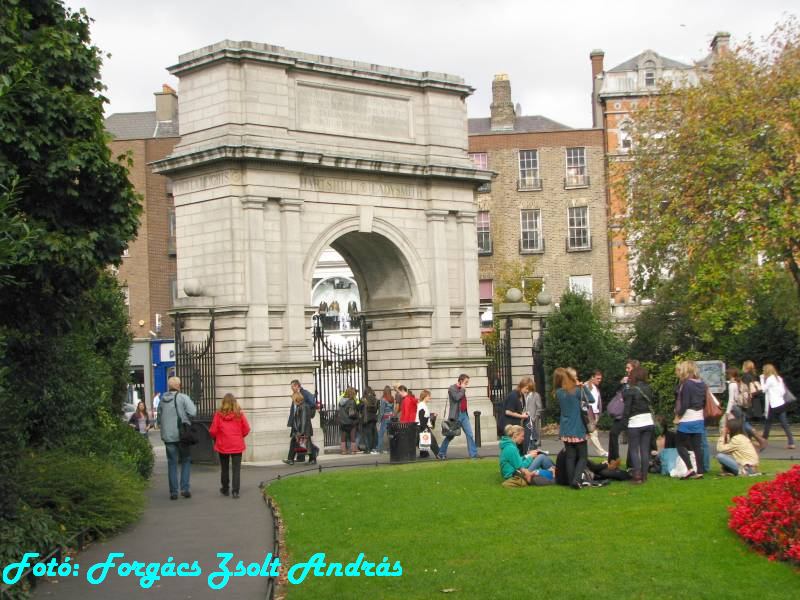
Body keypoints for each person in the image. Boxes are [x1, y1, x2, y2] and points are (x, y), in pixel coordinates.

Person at [157, 376, 197, 500]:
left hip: (168, 436)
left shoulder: (162, 399)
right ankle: (184, 489)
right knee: (185, 460)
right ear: (179, 385)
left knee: (172, 463)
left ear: (169, 386)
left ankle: (173, 492)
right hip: (181, 435)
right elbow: (193, 412)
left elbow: (159, 418)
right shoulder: (182, 397)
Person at [209, 393, 251, 498]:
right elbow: (246, 429)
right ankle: (235, 491)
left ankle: (225, 488)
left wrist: (216, 437)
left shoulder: (218, 415)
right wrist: (239, 436)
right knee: (236, 469)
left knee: (224, 468)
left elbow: (213, 430)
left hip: (223, 444)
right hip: (236, 444)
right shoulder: (239, 414)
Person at [555, 367, 589, 489]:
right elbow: (590, 399)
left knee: (570, 457)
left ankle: (571, 481)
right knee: (583, 456)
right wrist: (582, 387)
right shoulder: (576, 391)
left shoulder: (559, 392)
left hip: (565, 429)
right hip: (578, 428)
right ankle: (576, 479)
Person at [623, 366, 655, 484]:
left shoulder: (631, 390)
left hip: (635, 421)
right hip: (648, 420)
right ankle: (645, 475)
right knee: (645, 449)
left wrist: (624, 422)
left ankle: (637, 475)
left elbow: (627, 409)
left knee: (634, 449)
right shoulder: (648, 388)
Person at [674, 360, 706, 479]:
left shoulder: (687, 384)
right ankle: (700, 470)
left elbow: (686, 402)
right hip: (699, 416)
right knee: (697, 445)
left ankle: (690, 468)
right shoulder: (701, 383)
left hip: (688, 417)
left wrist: (679, 416)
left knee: (679, 444)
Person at [438, 374, 478, 460]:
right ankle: (441, 453)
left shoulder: (462, 390)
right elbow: (456, 398)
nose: (467, 384)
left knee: (470, 434)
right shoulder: (452, 388)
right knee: (450, 435)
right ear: (460, 381)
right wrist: (463, 389)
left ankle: (473, 454)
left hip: (464, 415)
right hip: (456, 416)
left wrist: (462, 389)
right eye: (466, 382)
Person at [725, 367, 767, 450]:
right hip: (741, 406)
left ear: (730, 374)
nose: (726, 376)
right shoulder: (738, 382)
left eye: (727, 374)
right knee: (743, 424)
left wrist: (727, 411)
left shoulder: (732, 384)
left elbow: (731, 399)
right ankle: (755, 441)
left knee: (742, 425)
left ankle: (759, 440)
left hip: (734, 407)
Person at [609, 359, 638, 466]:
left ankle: (630, 464)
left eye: (628, 368)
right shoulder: (625, 381)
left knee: (632, 438)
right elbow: (616, 393)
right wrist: (620, 384)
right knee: (613, 433)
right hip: (622, 413)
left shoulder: (637, 382)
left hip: (632, 413)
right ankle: (613, 459)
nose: (626, 370)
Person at [761, 363, 796, 449]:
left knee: (768, 423)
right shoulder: (779, 378)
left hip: (773, 405)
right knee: (784, 424)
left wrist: (761, 379)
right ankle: (791, 442)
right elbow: (783, 391)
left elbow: (763, 389)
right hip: (781, 403)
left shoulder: (769, 379)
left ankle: (763, 440)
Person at [290, 380, 319, 461]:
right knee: (302, 441)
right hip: (298, 422)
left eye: (292, 386)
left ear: (297, 386)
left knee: (304, 441)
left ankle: (311, 456)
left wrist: (305, 411)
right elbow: (293, 409)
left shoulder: (304, 393)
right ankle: (300, 457)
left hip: (303, 423)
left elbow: (313, 404)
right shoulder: (295, 395)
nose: (291, 388)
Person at [503, 377, 533, 455]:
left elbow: (519, 410)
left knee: (520, 446)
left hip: (516, 424)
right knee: (514, 447)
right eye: (526, 389)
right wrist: (521, 416)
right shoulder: (513, 395)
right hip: (510, 424)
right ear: (522, 385)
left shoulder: (521, 395)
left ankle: (521, 463)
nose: (527, 391)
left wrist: (524, 414)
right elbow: (508, 411)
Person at [584, 370, 608, 457]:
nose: (599, 380)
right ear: (592, 377)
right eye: (598, 378)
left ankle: (580, 451)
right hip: (589, 413)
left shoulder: (594, 387)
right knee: (593, 433)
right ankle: (601, 452)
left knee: (588, 434)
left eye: (600, 379)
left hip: (594, 413)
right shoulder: (586, 386)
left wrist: (597, 413)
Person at [416, 389, 440, 458]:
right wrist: (425, 428)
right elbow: (422, 417)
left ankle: (424, 454)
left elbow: (424, 415)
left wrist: (432, 414)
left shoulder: (422, 405)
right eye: (429, 396)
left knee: (420, 440)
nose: (430, 397)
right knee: (432, 441)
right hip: (422, 426)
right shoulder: (422, 405)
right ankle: (439, 455)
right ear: (425, 396)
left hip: (420, 426)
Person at [337, 387, 358, 454]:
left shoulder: (341, 402)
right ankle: (353, 450)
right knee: (352, 436)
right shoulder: (351, 401)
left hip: (342, 421)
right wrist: (357, 415)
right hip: (350, 421)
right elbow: (351, 413)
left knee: (343, 437)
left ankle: (343, 450)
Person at [525, 380, 544, 451]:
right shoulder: (525, 395)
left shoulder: (536, 395)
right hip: (527, 417)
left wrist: (536, 416)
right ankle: (530, 445)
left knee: (536, 432)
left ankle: (536, 445)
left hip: (534, 417)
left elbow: (539, 407)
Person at [375, 385, 395, 453]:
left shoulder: (383, 399)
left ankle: (379, 449)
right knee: (390, 434)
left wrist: (378, 421)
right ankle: (391, 448)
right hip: (391, 417)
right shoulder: (392, 398)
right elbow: (392, 409)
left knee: (380, 434)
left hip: (385, 418)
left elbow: (381, 411)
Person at [361, 386, 379, 454]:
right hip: (373, 418)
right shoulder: (375, 399)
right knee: (373, 434)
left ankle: (368, 449)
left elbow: (360, 408)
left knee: (367, 434)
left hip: (366, 418)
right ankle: (373, 448)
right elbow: (376, 409)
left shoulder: (363, 399)